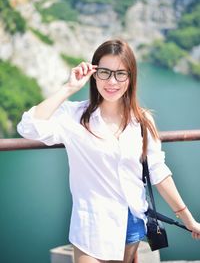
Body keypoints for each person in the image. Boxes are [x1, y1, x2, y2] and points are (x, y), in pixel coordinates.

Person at [17, 39, 200, 263]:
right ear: (94, 74)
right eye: (105, 72)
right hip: (91, 224)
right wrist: (69, 88)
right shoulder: (74, 117)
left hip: (131, 222)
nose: (112, 81)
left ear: (130, 77)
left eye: (120, 74)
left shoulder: (141, 121)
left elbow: (158, 172)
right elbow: (27, 128)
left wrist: (189, 219)